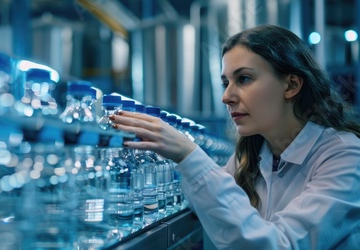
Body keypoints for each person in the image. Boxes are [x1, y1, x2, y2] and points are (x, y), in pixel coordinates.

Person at [109, 24, 360, 249]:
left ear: (292, 85)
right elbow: (205, 203)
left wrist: (189, 155)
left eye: (244, 79)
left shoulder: (344, 156)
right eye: (225, 83)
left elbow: (281, 245)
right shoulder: (253, 155)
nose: (226, 96)